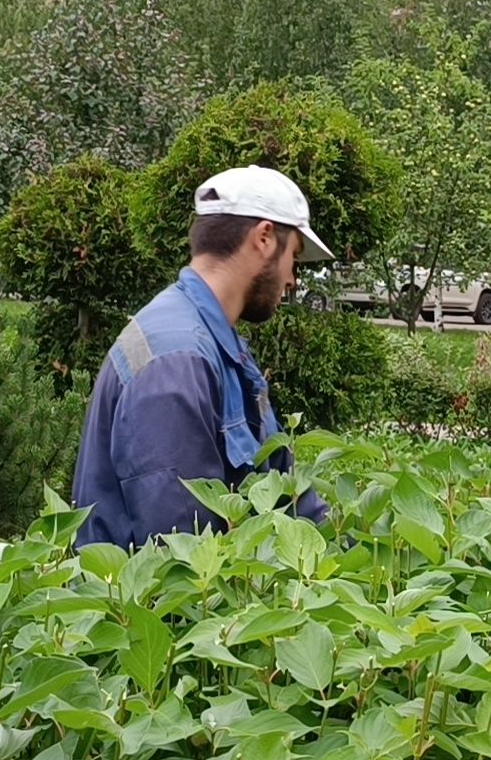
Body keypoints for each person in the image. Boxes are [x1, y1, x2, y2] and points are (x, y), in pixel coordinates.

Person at [72, 164, 331, 549]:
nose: (293, 279)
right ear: (264, 238)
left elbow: (285, 488)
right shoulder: (176, 362)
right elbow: (181, 552)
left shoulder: (215, 344)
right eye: (293, 256)